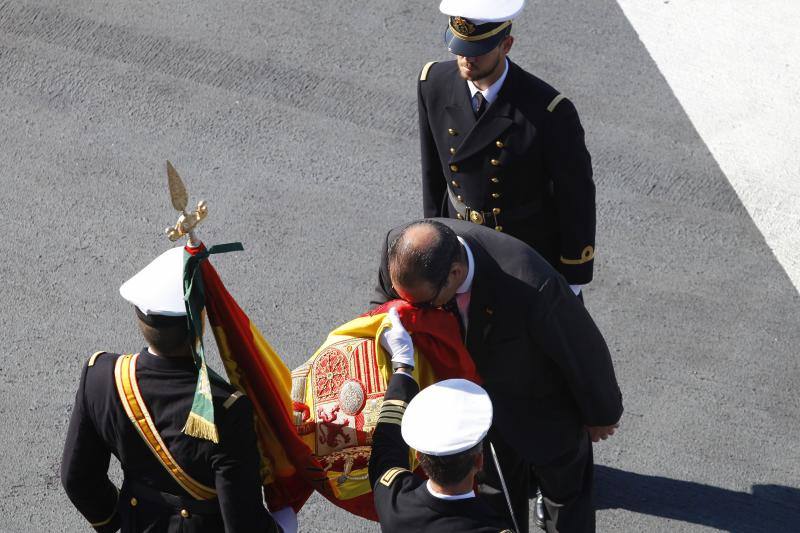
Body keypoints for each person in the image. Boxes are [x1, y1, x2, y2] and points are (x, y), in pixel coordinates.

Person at [370, 219, 623, 533]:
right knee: (493, 497)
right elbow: (385, 306)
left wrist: (602, 413)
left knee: (567, 498)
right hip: (472, 416)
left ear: (455, 274)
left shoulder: (527, 281)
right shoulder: (400, 250)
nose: (414, 309)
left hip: (538, 407)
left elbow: (580, 346)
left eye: (422, 303)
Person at [61, 246, 292, 532]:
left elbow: (77, 479)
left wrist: (118, 521)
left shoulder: (101, 376)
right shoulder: (227, 409)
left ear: (140, 319)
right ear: (199, 323)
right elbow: (243, 524)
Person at [418, 0, 596, 297]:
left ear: (506, 44)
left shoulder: (548, 111)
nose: (466, 58)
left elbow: (575, 198)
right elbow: (433, 174)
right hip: (460, 247)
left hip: (524, 253)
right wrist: (434, 238)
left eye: (478, 50)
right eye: (460, 47)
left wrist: (572, 277)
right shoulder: (433, 82)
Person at [368, 309, 514, 532]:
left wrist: (402, 367)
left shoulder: (396, 504)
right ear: (479, 462)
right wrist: (403, 368)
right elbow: (385, 451)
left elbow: (386, 450)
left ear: (418, 456)